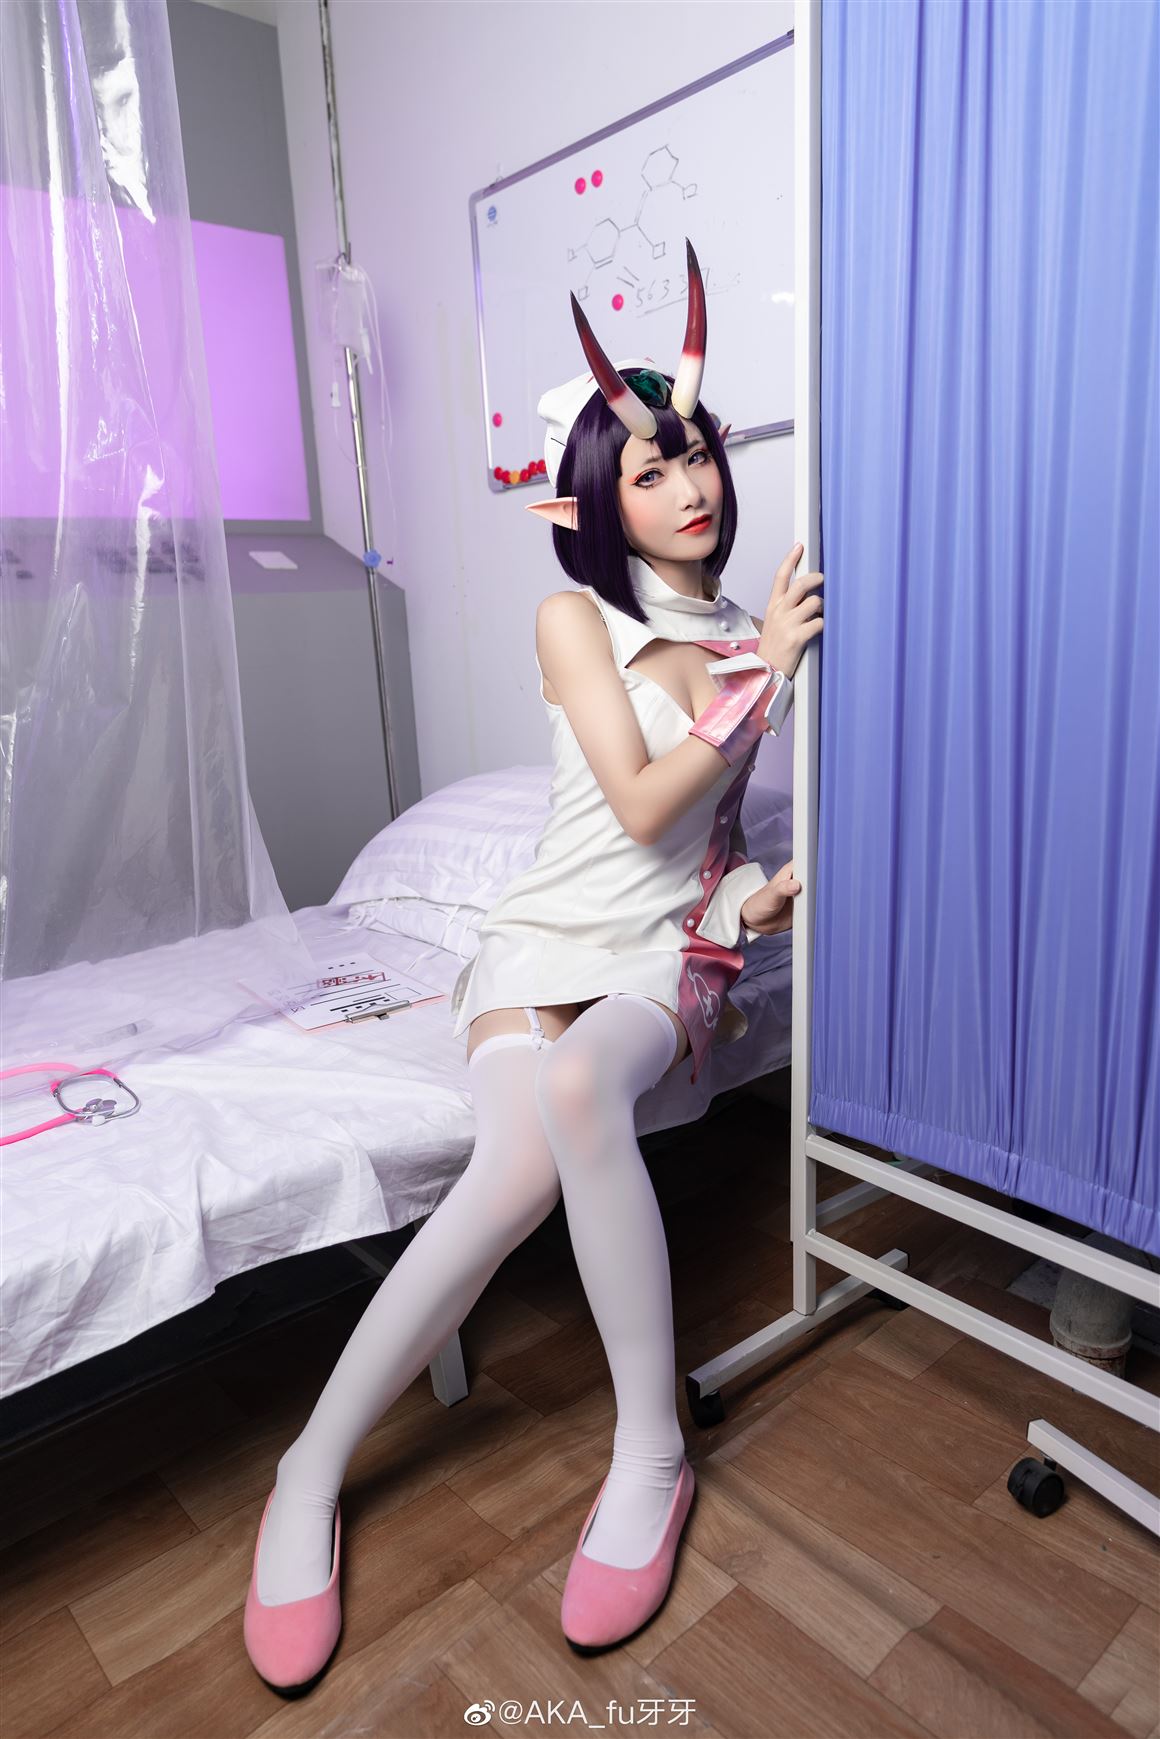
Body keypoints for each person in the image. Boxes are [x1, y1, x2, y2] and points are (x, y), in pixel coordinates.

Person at [243, 239, 824, 1689]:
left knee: (573, 1095)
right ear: (599, 501)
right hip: (540, 938)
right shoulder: (579, 618)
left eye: (697, 455)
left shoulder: (742, 632)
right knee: (509, 1175)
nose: (689, 486)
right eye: (651, 470)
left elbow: (702, 848)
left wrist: (757, 902)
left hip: (663, 957)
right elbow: (634, 805)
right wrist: (764, 672)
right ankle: (308, 1472)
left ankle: (650, 1453)